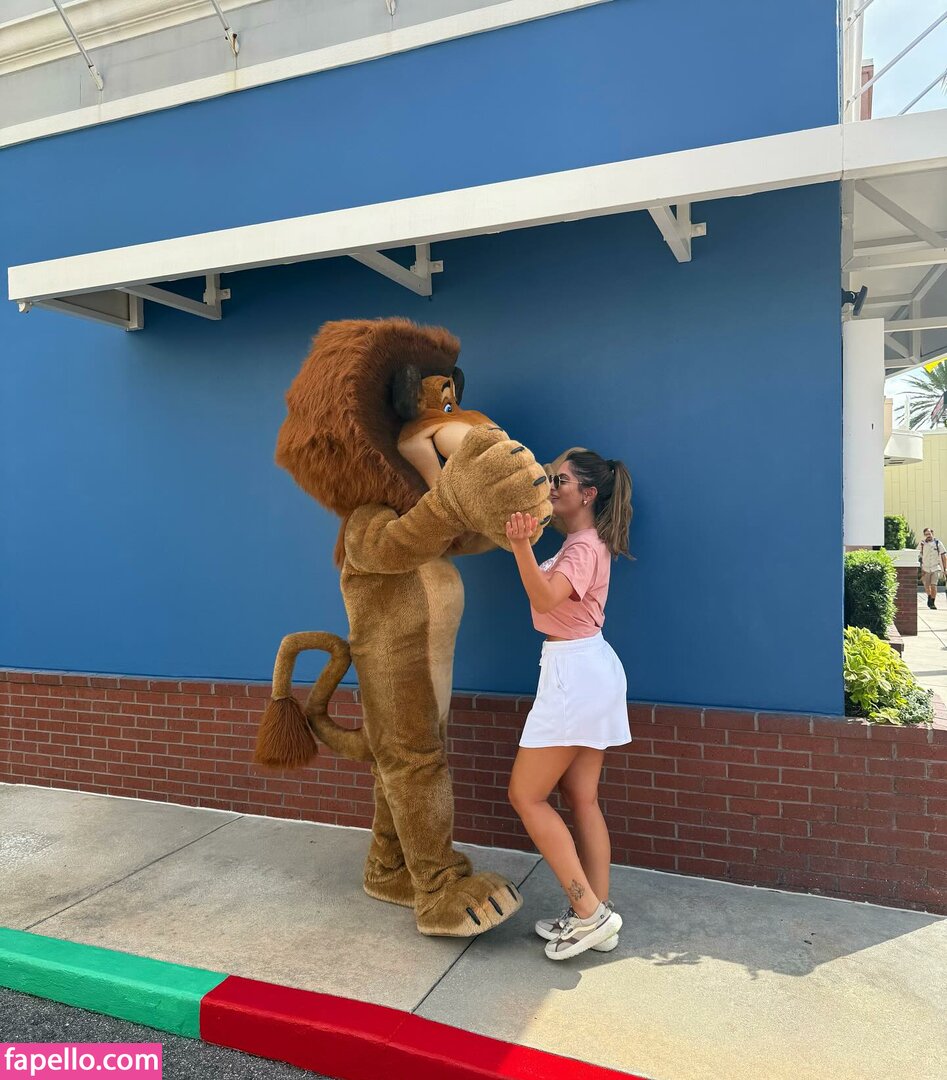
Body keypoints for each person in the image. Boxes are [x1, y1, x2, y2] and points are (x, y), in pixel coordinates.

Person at [504, 449, 633, 960]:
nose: (550, 486)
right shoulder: (582, 543)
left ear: (588, 494)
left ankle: (588, 913)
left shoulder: (582, 547)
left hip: (574, 677)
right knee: (582, 797)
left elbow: (544, 599)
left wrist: (519, 546)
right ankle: (597, 917)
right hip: (585, 669)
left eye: (560, 480)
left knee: (526, 795)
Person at [918, 526, 947, 610]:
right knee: (927, 586)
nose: (928, 535)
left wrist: (945, 568)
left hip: (935, 568)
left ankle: (932, 602)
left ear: (932, 533)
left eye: (929, 533)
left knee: (934, 585)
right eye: (926, 534)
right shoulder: (922, 544)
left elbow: (944, 556)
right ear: (924, 535)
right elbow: (917, 555)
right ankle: (929, 596)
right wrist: (920, 568)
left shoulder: (938, 543)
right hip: (925, 568)